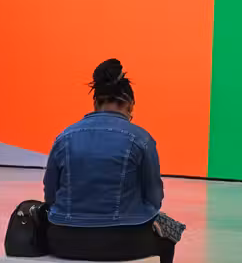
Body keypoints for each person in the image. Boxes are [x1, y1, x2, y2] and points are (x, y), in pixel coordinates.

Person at [43, 58, 175, 263]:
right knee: (171, 228)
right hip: (124, 241)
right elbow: (154, 197)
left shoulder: (64, 137)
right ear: (129, 105)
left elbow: (50, 195)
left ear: (95, 102)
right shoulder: (141, 138)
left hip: (64, 240)